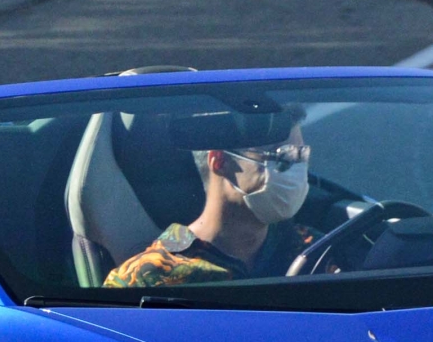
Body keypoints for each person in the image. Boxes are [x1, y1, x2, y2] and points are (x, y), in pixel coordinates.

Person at [104, 111, 312, 288]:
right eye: (282, 159)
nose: (296, 173)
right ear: (220, 161)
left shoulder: (311, 248)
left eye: (301, 157)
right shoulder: (147, 277)